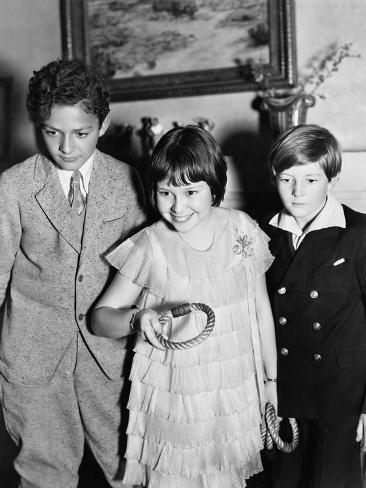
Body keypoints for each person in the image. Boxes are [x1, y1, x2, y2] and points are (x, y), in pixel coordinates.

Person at [92, 125, 278, 487]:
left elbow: (260, 310)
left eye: (191, 191)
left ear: (214, 186)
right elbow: (100, 319)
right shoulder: (150, 245)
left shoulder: (242, 229)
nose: (177, 207)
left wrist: (270, 382)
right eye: (165, 192)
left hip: (231, 396)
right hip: (173, 401)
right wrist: (136, 319)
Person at [0, 58, 146, 488]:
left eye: (80, 133)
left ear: (103, 125)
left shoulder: (128, 182)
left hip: (111, 360)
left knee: (130, 470)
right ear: (36, 124)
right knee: (45, 476)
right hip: (33, 361)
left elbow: (144, 272)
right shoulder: (13, 188)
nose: (66, 146)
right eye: (51, 131)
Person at [262, 124, 366, 488]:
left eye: (310, 180)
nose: (297, 192)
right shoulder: (262, 235)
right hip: (285, 390)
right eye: (286, 179)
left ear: (332, 179)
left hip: (342, 395)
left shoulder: (358, 233)